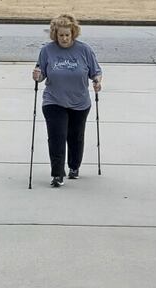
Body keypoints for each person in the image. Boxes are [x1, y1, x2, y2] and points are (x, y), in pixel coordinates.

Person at [32, 14, 102, 187]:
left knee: (75, 137)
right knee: (56, 136)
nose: (64, 38)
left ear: (73, 34)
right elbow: (41, 75)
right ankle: (57, 174)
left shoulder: (84, 50)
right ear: (55, 34)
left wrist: (97, 81)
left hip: (79, 102)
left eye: (67, 35)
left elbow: (96, 71)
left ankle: (74, 166)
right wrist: (37, 75)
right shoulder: (47, 50)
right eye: (60, 35)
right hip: (53, 101)